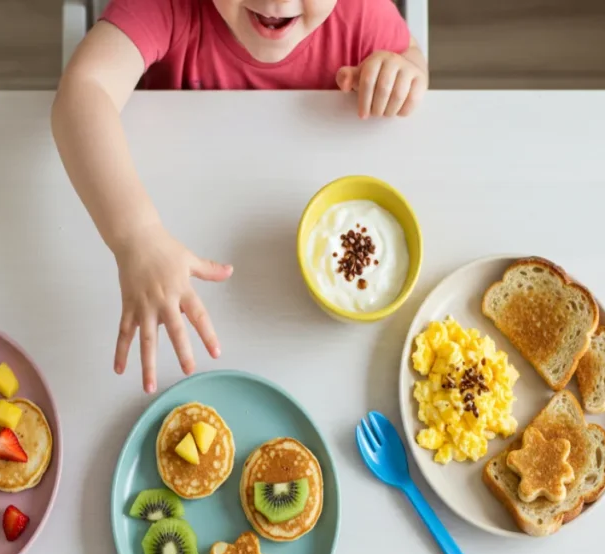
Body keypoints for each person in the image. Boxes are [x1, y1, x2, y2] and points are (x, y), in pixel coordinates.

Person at [51, 0, 428, 393]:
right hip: (183, 235)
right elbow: (82, 91)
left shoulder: (361, 10)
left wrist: (403, 74)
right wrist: (136, 236)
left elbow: (411, 58)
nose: (275, 2)